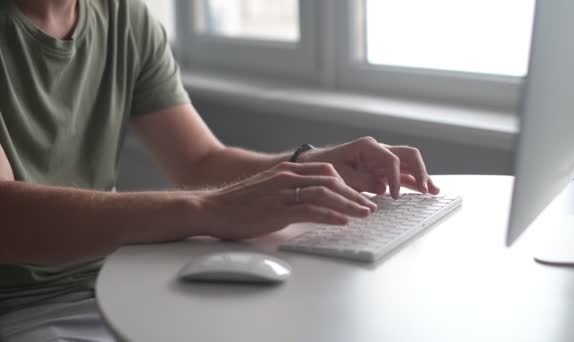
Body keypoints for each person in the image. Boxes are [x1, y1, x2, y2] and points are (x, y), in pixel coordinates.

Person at [0, 0, 440, 341]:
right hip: (21, 308)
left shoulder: (124, 17)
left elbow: (199, 162)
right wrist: (208, 208)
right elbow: (8, 217)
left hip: (113, 284)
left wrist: (308, 165)